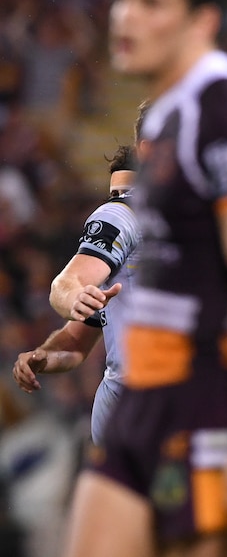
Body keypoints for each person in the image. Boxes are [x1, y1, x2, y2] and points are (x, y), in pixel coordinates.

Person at [62, 0, 227, 555]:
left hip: (209, 400)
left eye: (151, 3)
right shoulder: (168, 118)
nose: (126, 17)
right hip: (146, 392)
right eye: (123, 0)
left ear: (202, 20)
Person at [15, 144, 139, 446]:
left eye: (129, 193)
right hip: (131, 410)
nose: (120, 203)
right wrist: (44, 355)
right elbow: (71, 316)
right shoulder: (121, 220)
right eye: (114, 195)